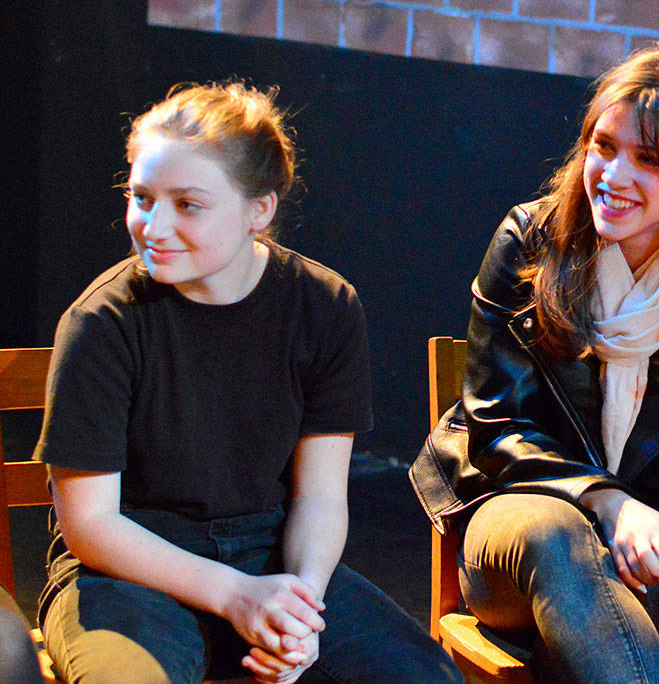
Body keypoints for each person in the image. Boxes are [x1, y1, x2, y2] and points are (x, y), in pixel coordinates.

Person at [35, 82, 461, 683]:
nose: (153, 226)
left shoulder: (325, 306)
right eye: (141, 197)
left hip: (269, 555)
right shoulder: (103, 323)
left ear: (258, 209)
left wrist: (301, 608)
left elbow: (319, 496)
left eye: (187, 204)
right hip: (131, 569)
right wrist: (234, 595)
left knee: (420, 677)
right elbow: (91, 526)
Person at [410, 46, 659, 683]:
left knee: (598, 606)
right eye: (602, 145)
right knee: (560, 539)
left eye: (649, 160)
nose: (611, 174)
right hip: (517, 526)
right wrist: (609, 504)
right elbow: (496, 429)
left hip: (652, 553)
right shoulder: (529, 243)